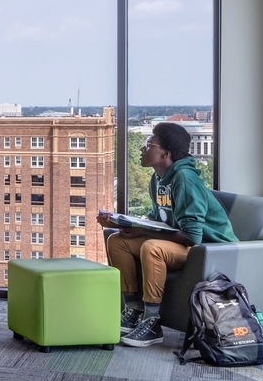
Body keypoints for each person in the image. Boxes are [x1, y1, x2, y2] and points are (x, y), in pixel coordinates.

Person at [98, 122, 237, 347]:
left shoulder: (185, 179)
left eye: (148, 144)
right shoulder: (159, 179)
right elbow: (159, 221)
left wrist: (143, 233)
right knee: (118, 241)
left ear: (165, 153)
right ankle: (133, 311)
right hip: (185, 244)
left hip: (210, 250)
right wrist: (126, 226)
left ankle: (152, 323)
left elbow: (193, 236)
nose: (142, 149)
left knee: (152, 247)